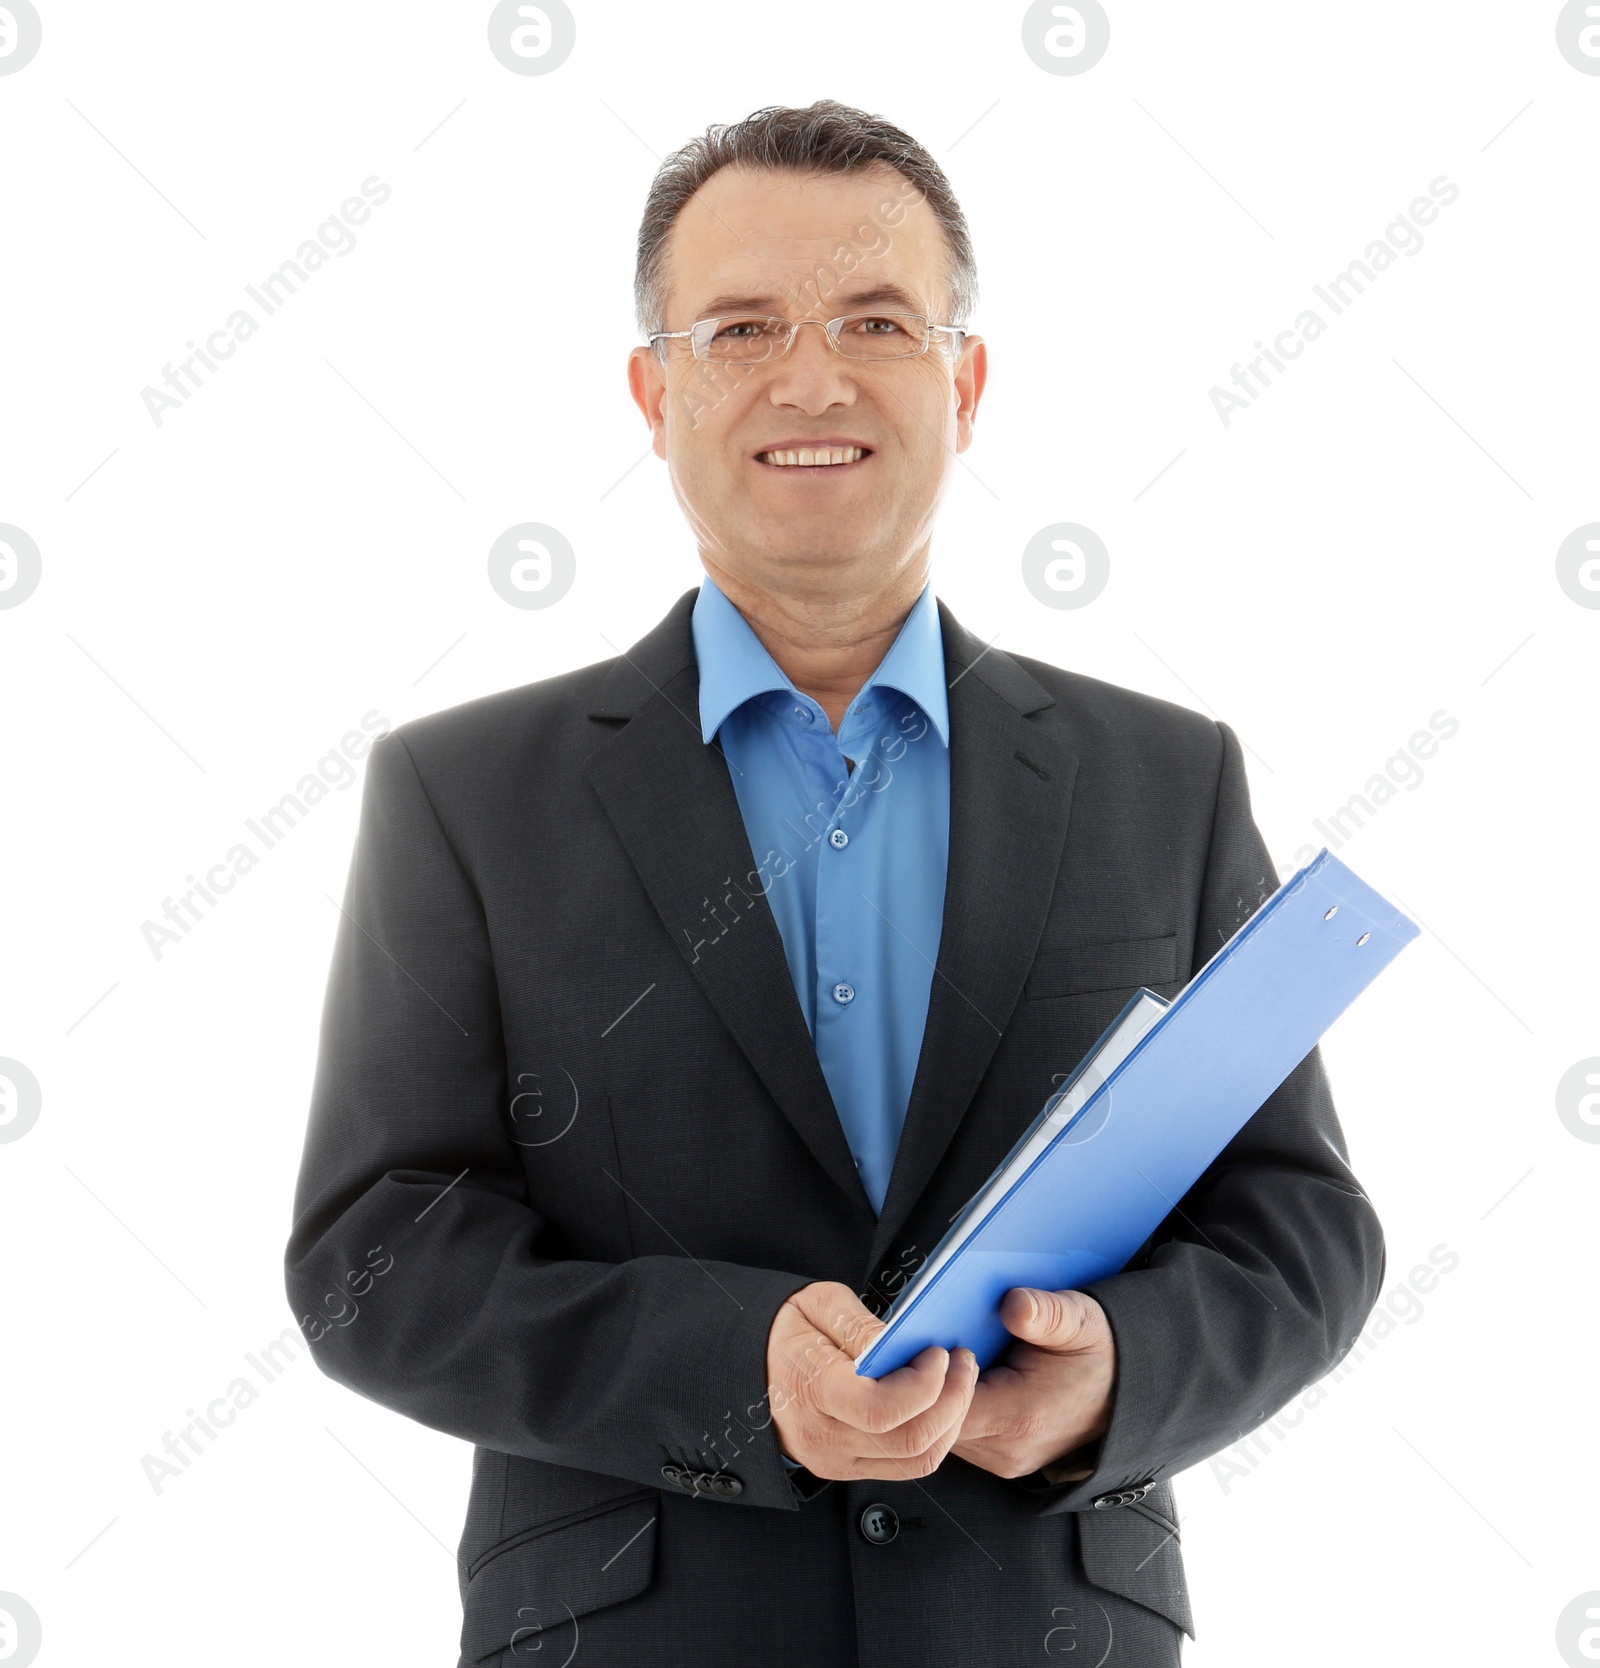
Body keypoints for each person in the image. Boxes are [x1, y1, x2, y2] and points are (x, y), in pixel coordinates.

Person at [285, 99, 1384, 1667]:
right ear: (655, 395)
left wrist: (1118, 1374)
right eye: (741, 328)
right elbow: (371, 1258)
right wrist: (738, 1366)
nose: (815, 377)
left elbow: (1300, 1224)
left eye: (879, 319)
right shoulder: (464, 794)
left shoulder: (1167, 776)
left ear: (967, 380)